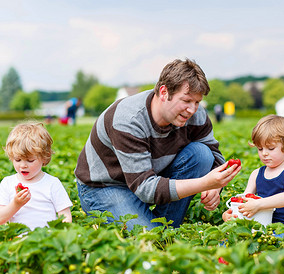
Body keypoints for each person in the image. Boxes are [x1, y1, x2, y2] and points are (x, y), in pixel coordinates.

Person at [75, 58, 241, 230]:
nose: (192, 109)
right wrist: (205, 183)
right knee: (150, 240)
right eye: (186, 101)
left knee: (202, 154)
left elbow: (214, 155)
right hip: (106, 186)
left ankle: (165, 225)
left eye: (197, 102)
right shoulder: (127, 120)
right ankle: (158, 226)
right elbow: (145, 188)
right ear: (164, 92)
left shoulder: (195, 114)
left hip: (149, 177)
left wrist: (216, 188)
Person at [223, 115, 284, 230]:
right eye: (260, 149)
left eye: (271, 148)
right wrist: (231, 213)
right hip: (258, 228)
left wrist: (258, 204)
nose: (264, 153)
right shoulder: (256, 174)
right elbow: (244, 200)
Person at [0, 122, 73, 230]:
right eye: (17, 159)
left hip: (46, 240)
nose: (23, 165)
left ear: (44, 157)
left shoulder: (52, 183)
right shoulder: (7, 183)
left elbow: (65, 216)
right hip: (16, 242)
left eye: (30, 160)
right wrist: (16, 204)